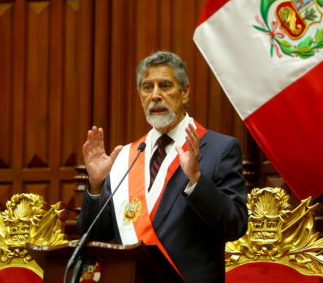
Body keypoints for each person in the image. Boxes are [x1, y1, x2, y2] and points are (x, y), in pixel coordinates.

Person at [77, 51, 248, 282]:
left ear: (185, 91)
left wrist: (196, 180)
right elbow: (96, 236)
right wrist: (96, 186)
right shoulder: (128, 156)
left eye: (165, 86)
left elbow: (235, 226)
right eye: (147, 87)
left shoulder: (219, 149)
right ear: (139, 95)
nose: (155, 95)